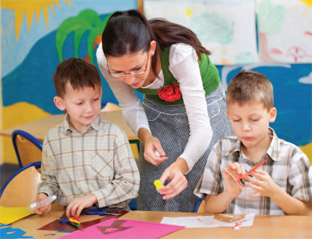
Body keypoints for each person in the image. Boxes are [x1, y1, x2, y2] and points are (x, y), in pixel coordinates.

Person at [96, 10, 233, 212]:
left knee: (202, 184)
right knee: (156, 187)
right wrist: (146, 137)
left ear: (151, 49)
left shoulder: (179, 54)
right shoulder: (104, 59)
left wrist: (181, 166)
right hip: (157, 106)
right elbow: (130, 105)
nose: (131, 80)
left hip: (206, 105)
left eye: (137, 68)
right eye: (120, 72)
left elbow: (202, 129)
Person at [194, 70, 312, 215]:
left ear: (271, 115)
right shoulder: (220, 150)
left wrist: (275, 193)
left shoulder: (293, 157)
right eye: (236, 120)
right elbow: (209, 208)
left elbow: (308, 213)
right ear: (228, 116)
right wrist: (230, 193)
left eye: (254, 119)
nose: (245, 128)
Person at [35, 57, 140, 218]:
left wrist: (93, 198)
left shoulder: (114, 135)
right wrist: (44, 195)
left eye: (95, 99)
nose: (89, 109)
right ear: (60, 103)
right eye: (79, 103)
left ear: (100, 93)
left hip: (114, 218)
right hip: (72, 221)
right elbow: (50, 181)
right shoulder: (53, 139)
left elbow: (130, 184)